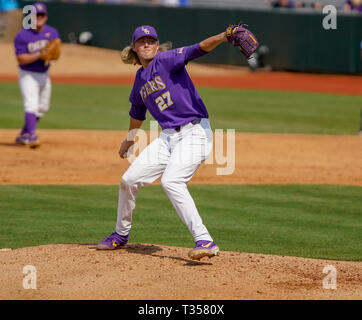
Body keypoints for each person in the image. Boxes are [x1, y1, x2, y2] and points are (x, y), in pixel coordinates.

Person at [96, 25, 230, 260]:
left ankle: (205, 240)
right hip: (168, 137)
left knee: (171, 181)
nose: (146, 44)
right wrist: (129, 140)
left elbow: (198, 49)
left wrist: (224, 36)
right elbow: (137, 112)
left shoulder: (167, 60)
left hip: (195, 132)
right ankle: (120, 235)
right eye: (141, 41)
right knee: (128, 180)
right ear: (134, 48)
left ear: (157, 46)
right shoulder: (139, 79)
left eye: (151, 41)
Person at [14, 2, 61, 148]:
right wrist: (40, 54)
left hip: (44, 74)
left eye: (42, 15)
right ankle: (32, 136)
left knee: (42, 107)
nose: (39, 18)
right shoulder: (22, 35)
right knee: (31, 104)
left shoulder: (52, 32)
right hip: (28, 74)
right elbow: (21, 59)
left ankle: (24, 134)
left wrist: (50, 54)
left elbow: (55, 54)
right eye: (36, 15)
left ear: (46, 17)